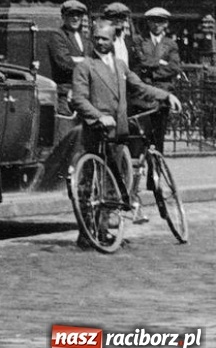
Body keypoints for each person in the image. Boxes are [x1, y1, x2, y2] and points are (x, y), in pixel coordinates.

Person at [71, 18, 182, 238]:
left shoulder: (121, 66)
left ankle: (106, 226)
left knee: (115, 179)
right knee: (91, 181)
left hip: (119, 131)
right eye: (97, 38)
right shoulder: (85, 66)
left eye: (105, 38)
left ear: (114, 40)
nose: (101, 42)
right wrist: (99, 116)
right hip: (97, 130)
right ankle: (88, 233)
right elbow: (79, 99)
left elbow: (140, 87)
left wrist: (166, 95)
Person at [132, 7, 181, 154]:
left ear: (166, 23)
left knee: (158, 139)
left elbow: (174, 67)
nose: (157, 25)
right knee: (140, 138)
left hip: (162, 96)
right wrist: (160, 62)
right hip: (143, 95)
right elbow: (140, 62)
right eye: (154, 21)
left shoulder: (171, 44)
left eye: (160, 21)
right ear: (148, 22)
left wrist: (151, 73)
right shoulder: (139, 40)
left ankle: (154, 176)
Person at [47, 0, 91, 116]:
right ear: (63, 17)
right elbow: (65, 64)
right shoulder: (57, 36)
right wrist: (85, 62)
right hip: (66, 94)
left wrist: (77, 60)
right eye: (71, 14)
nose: (75, 18)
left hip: (85, 93)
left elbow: (94, 61)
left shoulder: (85, 38)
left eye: (79, 15)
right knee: (66, 127)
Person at [101, 2, 137, 68]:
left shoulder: (128, 40)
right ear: (107, 19)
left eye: (121, 17)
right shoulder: (101, 40)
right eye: (114, 17)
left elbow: (134, 64)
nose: (118, 20)